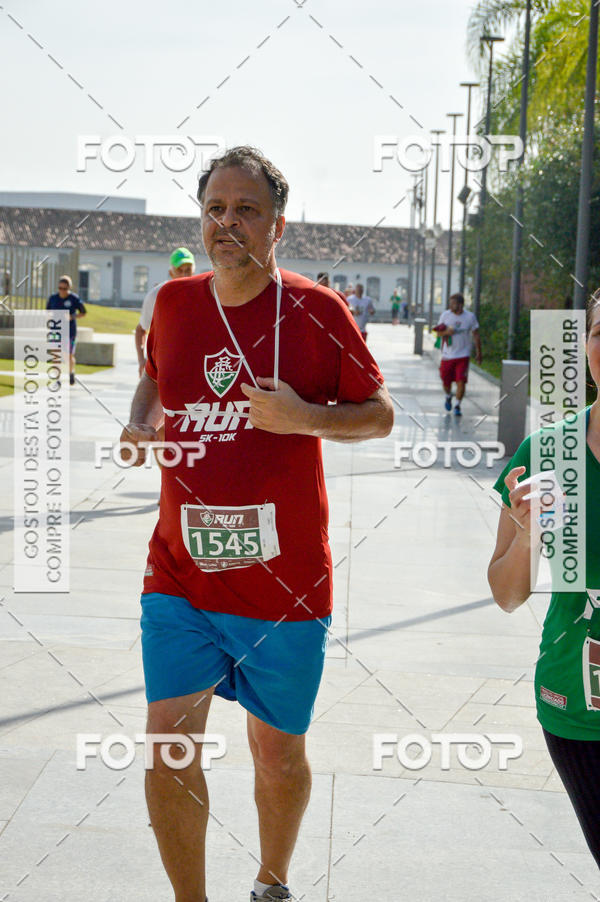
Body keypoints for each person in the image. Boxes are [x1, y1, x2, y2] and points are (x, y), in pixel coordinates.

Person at [120, 145, 394, 902]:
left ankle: (272, 882)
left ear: (279, 225)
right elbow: (153, 377)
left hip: (285, 586)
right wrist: (143, 423)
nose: (227, 223)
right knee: (170, 745)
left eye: (246, 210)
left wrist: (303, 417)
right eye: (215, 208)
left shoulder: (317, 311)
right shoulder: (175, 304)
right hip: (179, 572)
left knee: (276, 755)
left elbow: (379, 415)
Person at [488, 291, 600, 870]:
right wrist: (530, 532)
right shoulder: (548, 452)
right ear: (583, 347)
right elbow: (507, 595)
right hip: (578, 707)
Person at [135, 248, 195, 377]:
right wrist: (141, 361)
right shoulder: (156, 295)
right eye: (180, 270)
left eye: (188, 269)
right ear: (171, 272)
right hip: (161, 369)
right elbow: (141, 330)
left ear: (194, 270)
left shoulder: (202, 296)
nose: (184, 274)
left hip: (191, 368)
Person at [435, 292, 482, 416]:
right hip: (447, 355)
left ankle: (457, 405)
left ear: (460, 304)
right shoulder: (445, 315)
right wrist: (446, 332)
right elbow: (438, 333)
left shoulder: (470, 317)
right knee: (446, 381)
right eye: (450, 303)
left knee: (461, 380)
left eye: (453, 303)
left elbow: (476, 334)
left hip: (463, 355)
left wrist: (478, 352)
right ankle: (448, 396)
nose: (451, 306)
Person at [46, 275, 86, 385]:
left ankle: (71, 372)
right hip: (55, 330)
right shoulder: (53, 298)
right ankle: (57, 378)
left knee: (68, 355)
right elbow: (48, 311)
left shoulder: (74, 299)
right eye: (60, 288)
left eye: (65, 289)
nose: (62, 291)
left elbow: (83, 313)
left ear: (69, 288)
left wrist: (72, 317)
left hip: (69, 332)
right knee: (56, 355)